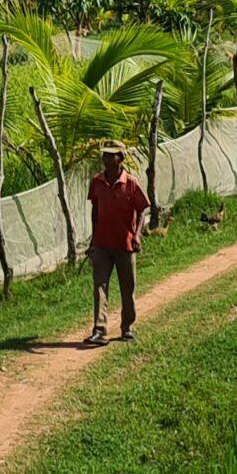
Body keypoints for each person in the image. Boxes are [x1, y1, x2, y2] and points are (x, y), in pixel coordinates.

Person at [82, 140, 150, 345]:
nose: (106, 159)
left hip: (125, 244)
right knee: (99, 286)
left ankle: (127, 327)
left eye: (111, 155)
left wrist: (137, 235)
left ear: (120, 158)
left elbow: (142, 209)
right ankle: (100, 330)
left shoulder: (130, 182)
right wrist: (93, 240)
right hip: (102, 243)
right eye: (104, 155)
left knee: (127, 287)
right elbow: (95, 209)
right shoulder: (97, 182)